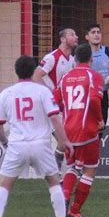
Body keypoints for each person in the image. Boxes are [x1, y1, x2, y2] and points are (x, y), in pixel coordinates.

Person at [0, 55, 74, 217]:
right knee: (53, 182)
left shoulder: (6, 93)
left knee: (4, 184)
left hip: (17, 144)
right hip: (41, 144)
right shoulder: (43, 92)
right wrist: (64, 141)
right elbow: (54, 117)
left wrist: (5, 143)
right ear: (33, 71)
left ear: (16, 72)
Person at [54, 43, 105, 217]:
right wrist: (99, 120)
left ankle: (65, 196)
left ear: (75, 60)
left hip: (68, 131)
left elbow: (55, 100)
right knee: (89, 169)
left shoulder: (65, 77)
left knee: (71, 166)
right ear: (91, 58)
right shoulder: (95, 76)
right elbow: (94, 101)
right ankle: (75, 210)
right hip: (88, 131)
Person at [32, 28, 79, 173]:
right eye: (72, 34)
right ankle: (56, 169)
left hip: (65, 107)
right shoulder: (52, 57)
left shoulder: (72, 60)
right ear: (63, 39)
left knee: (65, 140)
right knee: (64, 139)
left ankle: (56, 169)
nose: (76, 37)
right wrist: (50, 94)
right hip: (52, 108)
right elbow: (36, 75)